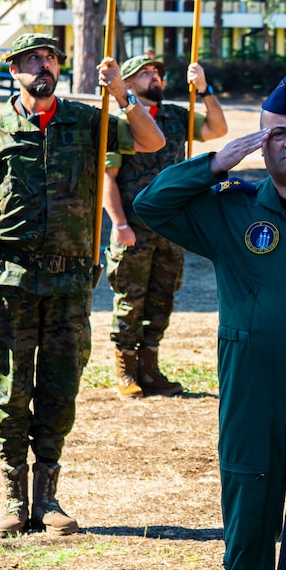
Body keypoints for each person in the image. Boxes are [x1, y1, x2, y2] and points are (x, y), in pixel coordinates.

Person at [134, 72, 286, 570]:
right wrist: (214, 163)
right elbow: (152, 204)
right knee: (249, 527)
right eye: (276, 133)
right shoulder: (232, 210)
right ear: (260, 142)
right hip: (253, 396)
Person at [0, 32, 161, 537]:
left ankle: (47, 497)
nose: (42, 67)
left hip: (69, 282)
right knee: (12, 390)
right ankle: (12, 495)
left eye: (49, 59)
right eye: (32, 60)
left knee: (60, 387)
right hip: (9, 282)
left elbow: (150, 140)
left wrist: (122, 95)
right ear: (13, 70)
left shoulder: (88, 120)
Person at [102, 52, 229, 398]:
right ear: (127, 85)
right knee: (131, 297)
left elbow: (217, 129)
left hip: (171, 225)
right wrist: (119, 224)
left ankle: (150, 366)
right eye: (145, 74)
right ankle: (126, 368)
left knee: (162, 298)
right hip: (135, 225)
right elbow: (107, 179)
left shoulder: (177, 116)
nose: (155, 77)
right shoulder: (118, 124)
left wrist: (204, 89)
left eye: (157, 72)